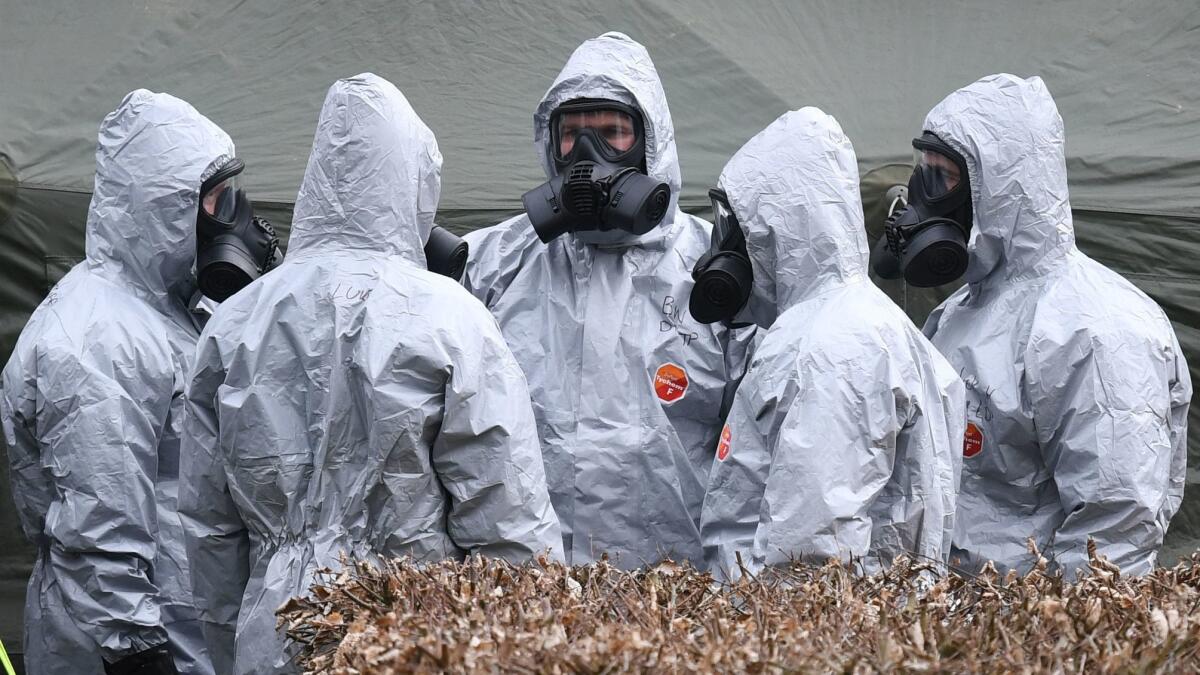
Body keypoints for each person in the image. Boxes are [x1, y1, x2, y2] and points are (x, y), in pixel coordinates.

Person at [179, 73, 563, 675]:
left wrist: (234, 641)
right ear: (415, 181)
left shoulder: (234, 325)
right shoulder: (451, 319)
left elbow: (210, 524)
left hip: (274, 630)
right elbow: (504, 514)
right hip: (416, 634)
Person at [463, 32, 754, 569]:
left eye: (612, 133)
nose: (587, 157)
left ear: (652, 141)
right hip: (528, 589)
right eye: (571, 134)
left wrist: (729, 585)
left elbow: (754, 456)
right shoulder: (491, 265)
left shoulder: (713, 271)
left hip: (674, 584)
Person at [918, 74, 1191, 578]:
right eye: (925, 173)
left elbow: (1113, 531)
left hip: (1024, 637)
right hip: (940, 627)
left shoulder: (1098, 329)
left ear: (997, 184)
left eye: (943, 178)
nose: (924, 197)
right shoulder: (961, 312)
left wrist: (1049, 641)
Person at [0, 90, 230, 675]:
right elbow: (99, 524)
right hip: (125, 643)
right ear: (165, 205)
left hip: (183, 623)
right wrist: (136, 652)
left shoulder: (167, 309)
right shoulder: (93, 338)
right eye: (215, 200)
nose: (228, 216)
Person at [697, 109, 965, 579]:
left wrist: (756, 637)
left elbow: (807, 561)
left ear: (772, 223)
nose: (726, 244)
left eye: (734, 222)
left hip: (795, 641)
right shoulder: (849, 325)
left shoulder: (829, 349)